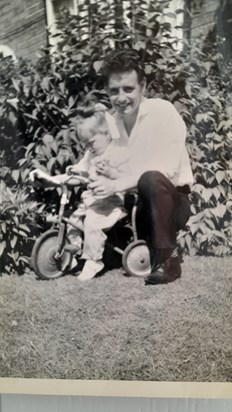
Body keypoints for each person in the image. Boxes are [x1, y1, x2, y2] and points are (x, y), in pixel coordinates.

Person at [88, 49, 194, 285]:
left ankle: (168, 258)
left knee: (151, 178)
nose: (121, 98)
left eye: (128, 89)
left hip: (172, 201)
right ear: (106, 91)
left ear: (143, 86)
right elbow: (109, 166)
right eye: (114, 91)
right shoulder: (110, 124)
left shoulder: (162, 112)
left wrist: (115, 183)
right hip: (134, 206)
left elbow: (163, 170)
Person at [30, 101, 131, 281]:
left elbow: (126, 178)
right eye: (85, 144)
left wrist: (110, 175)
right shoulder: (92, 154)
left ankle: (94, 260)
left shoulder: (117, 153)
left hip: (110, 204)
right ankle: (73, 252)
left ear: (107, 133)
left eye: (91, 142)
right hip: (91, 202)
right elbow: (79, 174)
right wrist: (53, 180)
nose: (89, 147)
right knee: (73, 220)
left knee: (92, 224)